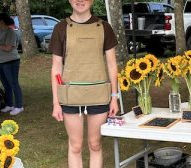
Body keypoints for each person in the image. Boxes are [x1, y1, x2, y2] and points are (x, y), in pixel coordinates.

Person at [49, 0, 119, 167]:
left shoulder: (104, 27)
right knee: (76, 146)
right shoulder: (61, 28)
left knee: (95, 144)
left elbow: (112, 64)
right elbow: (56, 68)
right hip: (70, 96)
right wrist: (56, 102)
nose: (80, 1)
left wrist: (115, 97)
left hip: (99, 95)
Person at [0, 13, 23, 115]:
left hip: (10, 62)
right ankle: (9, 104)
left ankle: (19, 106)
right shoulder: (0, 31)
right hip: (0, 62)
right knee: (6, 84)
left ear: (2, 21)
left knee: (13, 83)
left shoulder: (11, 32)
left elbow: (8, 47)